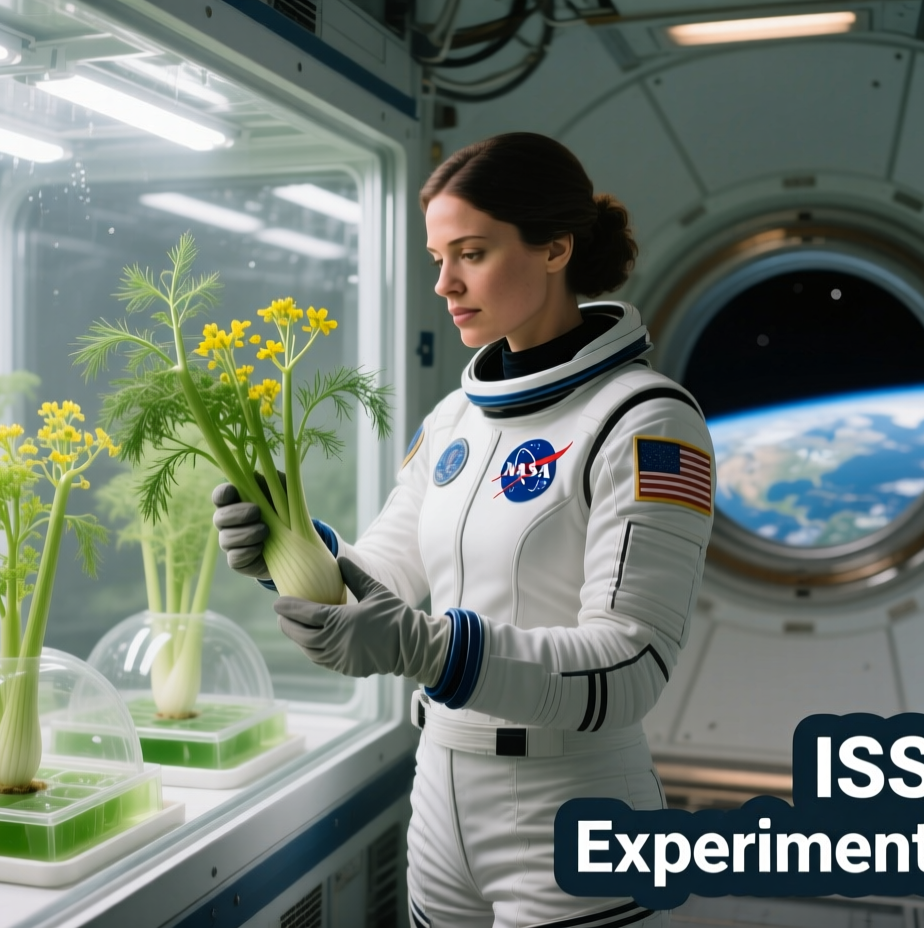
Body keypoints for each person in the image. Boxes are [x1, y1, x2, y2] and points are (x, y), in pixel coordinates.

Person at [214, 132, 715, 928]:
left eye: (472, 253)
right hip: (441, 787)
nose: (445, 283)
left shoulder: (645, 421)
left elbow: (630, 666)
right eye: (438, 256)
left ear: (555, 247)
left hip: (574, 800)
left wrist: (428, 649)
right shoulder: (457, 417)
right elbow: (391, 573)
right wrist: (288, 548)